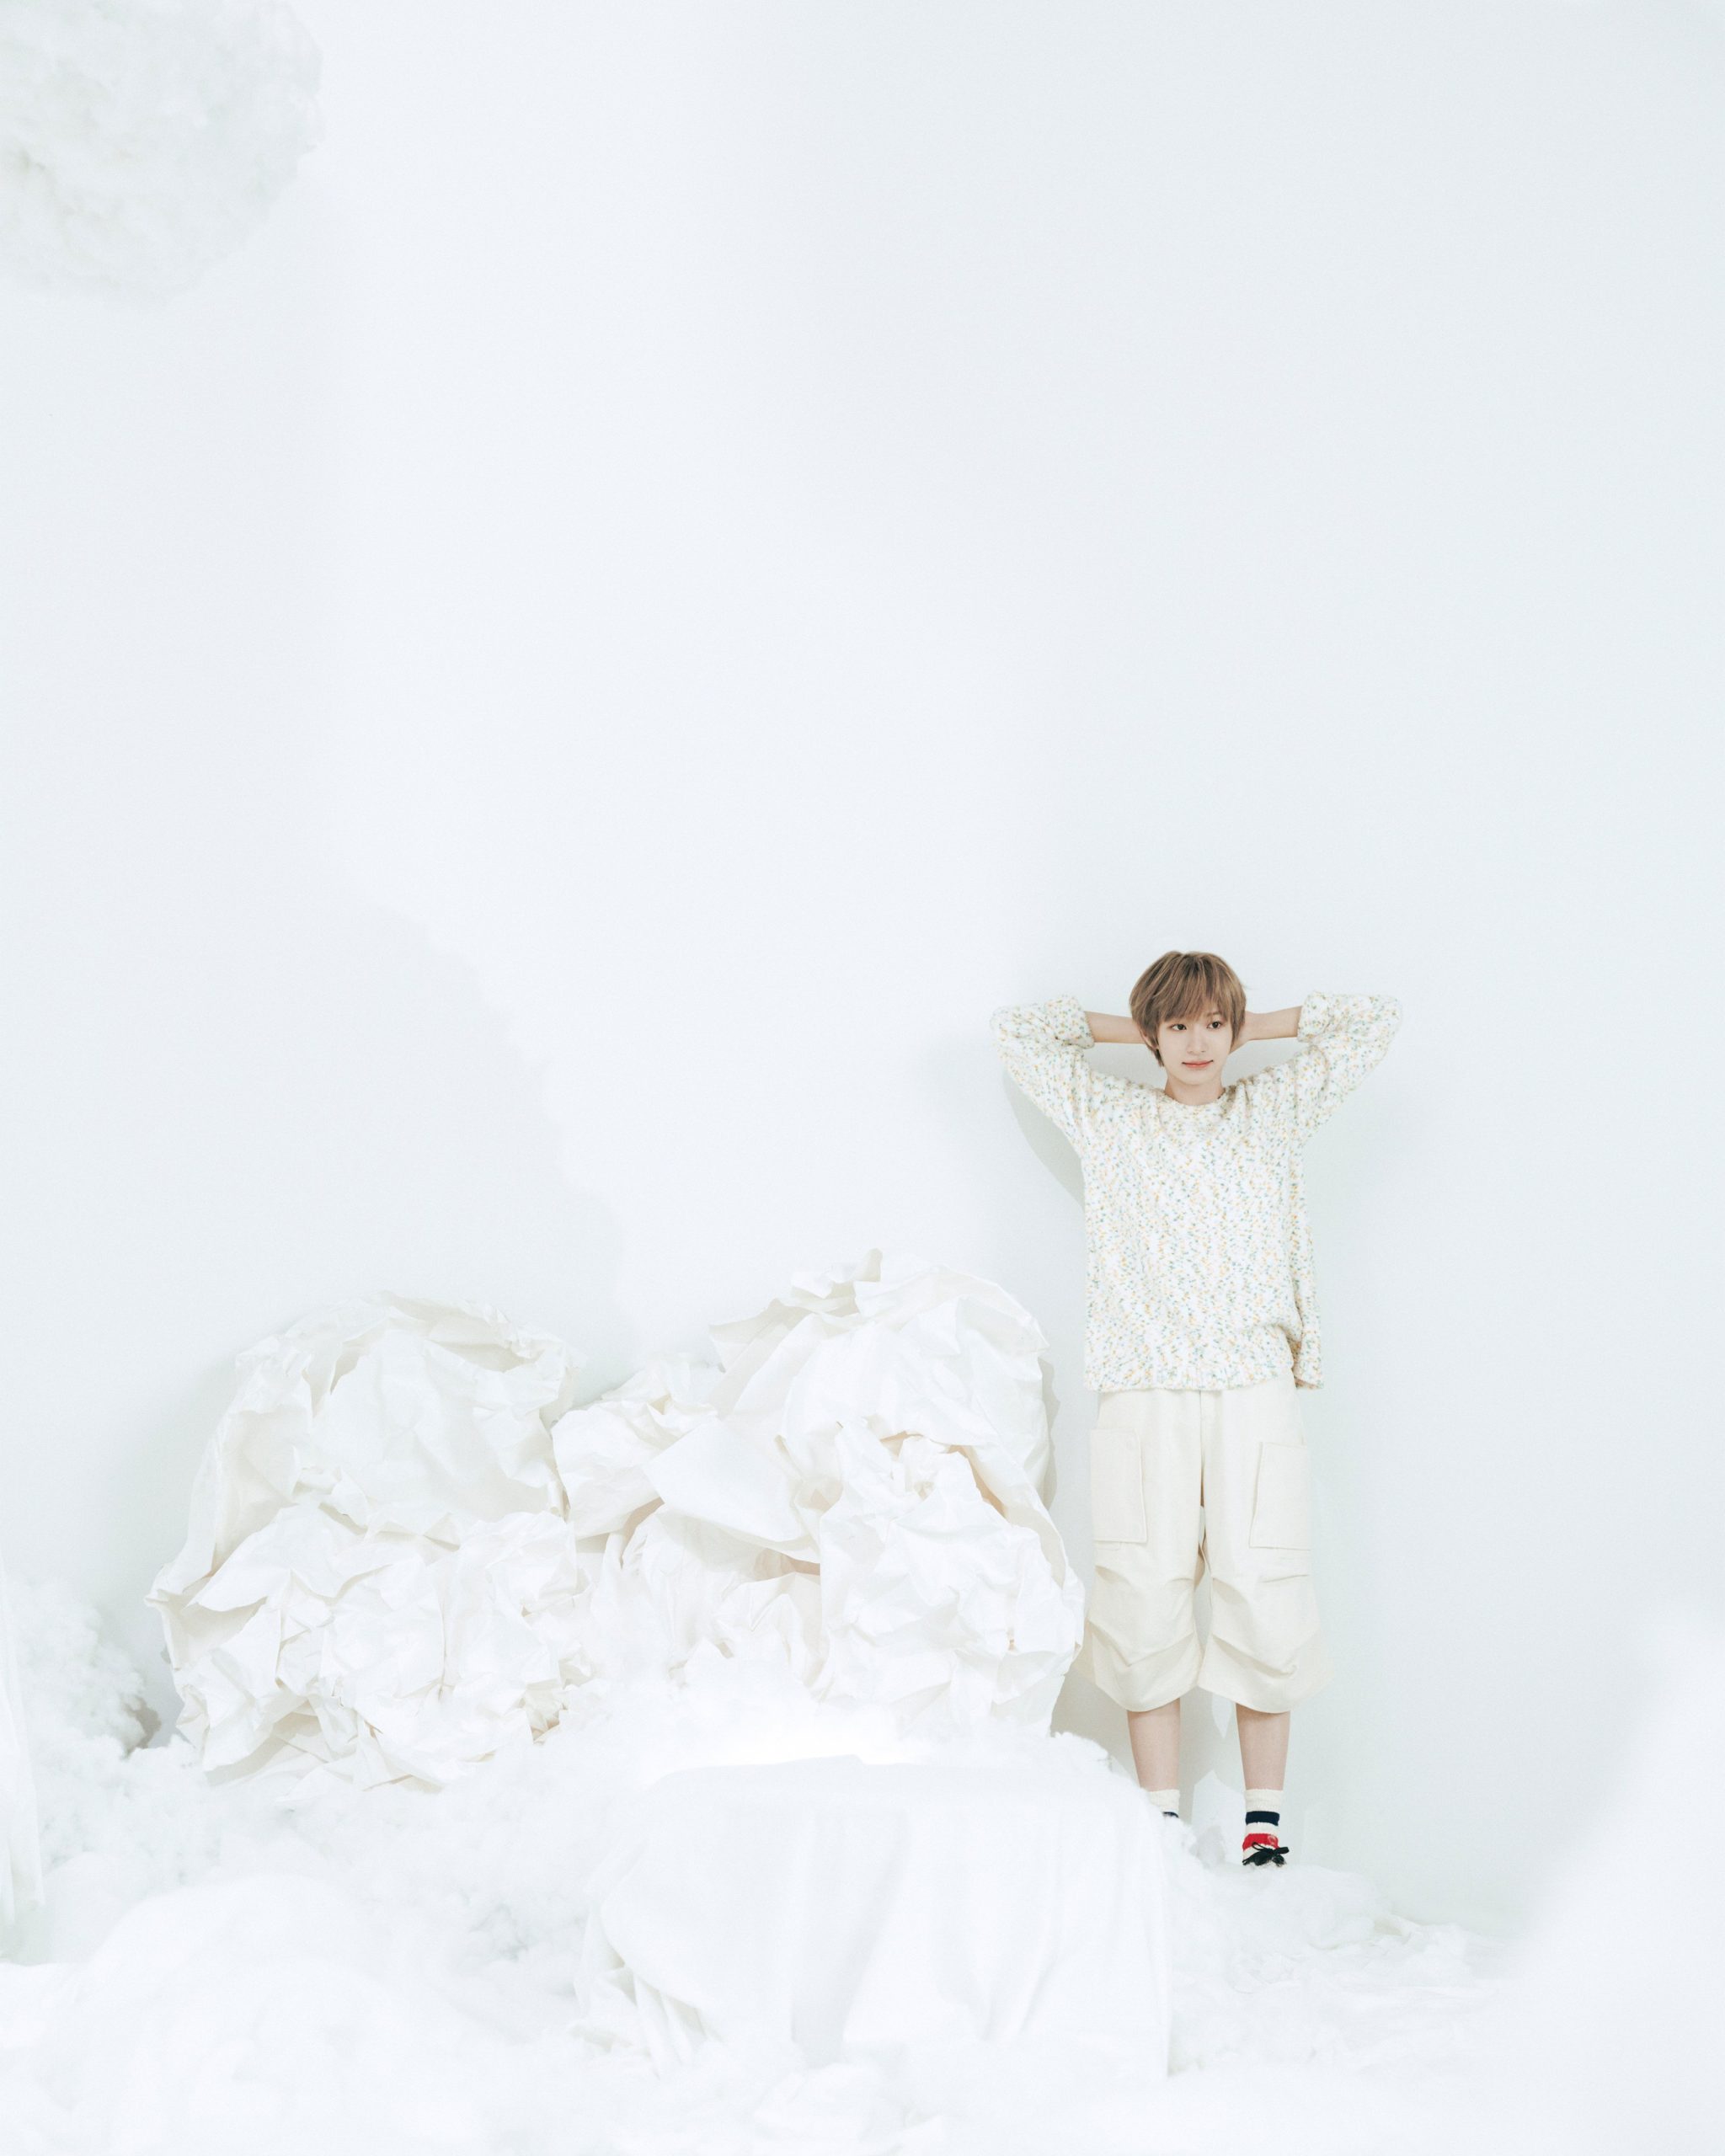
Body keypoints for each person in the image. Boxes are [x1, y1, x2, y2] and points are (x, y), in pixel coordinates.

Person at [991, 953, 1402, 1867]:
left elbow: (1374, 1019)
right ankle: (1160, 1824)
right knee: (1142, 1590)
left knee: (1266, 1585)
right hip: (1144, 1387)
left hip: (1252, 1387)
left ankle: (1264, 1827)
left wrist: (1244, 1023)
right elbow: (1016, 1032)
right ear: (1154, 1034)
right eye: (1177, 1026)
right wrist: (1145, 1024)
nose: (1197, 1043)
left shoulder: (1271, 1110)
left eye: (1211, 1024)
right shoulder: (1110, 1117)